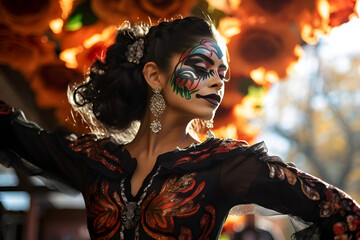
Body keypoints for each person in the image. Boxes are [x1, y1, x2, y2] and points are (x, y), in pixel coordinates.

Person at [0, 16, 359, 240]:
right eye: (202, 66)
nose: (217, 82)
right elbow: (10, 129)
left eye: (222, 73)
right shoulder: (95, 162)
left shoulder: (225, 166)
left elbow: (344, 215)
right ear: (154, 75)